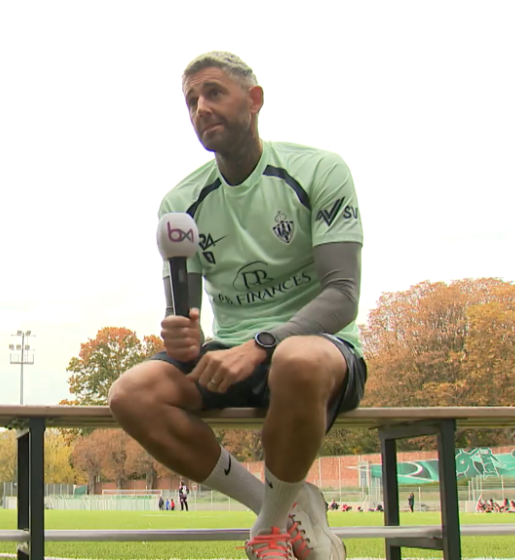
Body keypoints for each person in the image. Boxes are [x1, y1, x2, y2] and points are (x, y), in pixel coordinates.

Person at [108, 51, 365, 560]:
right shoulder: (180, 203)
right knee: (130, 394)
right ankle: (280, 507)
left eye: (213, 93)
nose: (200, 108)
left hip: (319, 352)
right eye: (190, 101)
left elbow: (342, 294)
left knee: (296, 358)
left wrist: (260, 344)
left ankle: (268, 532)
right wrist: (183, 334)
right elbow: (186, 322)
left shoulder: (320, 170)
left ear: (254, 100)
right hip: (231, 352)